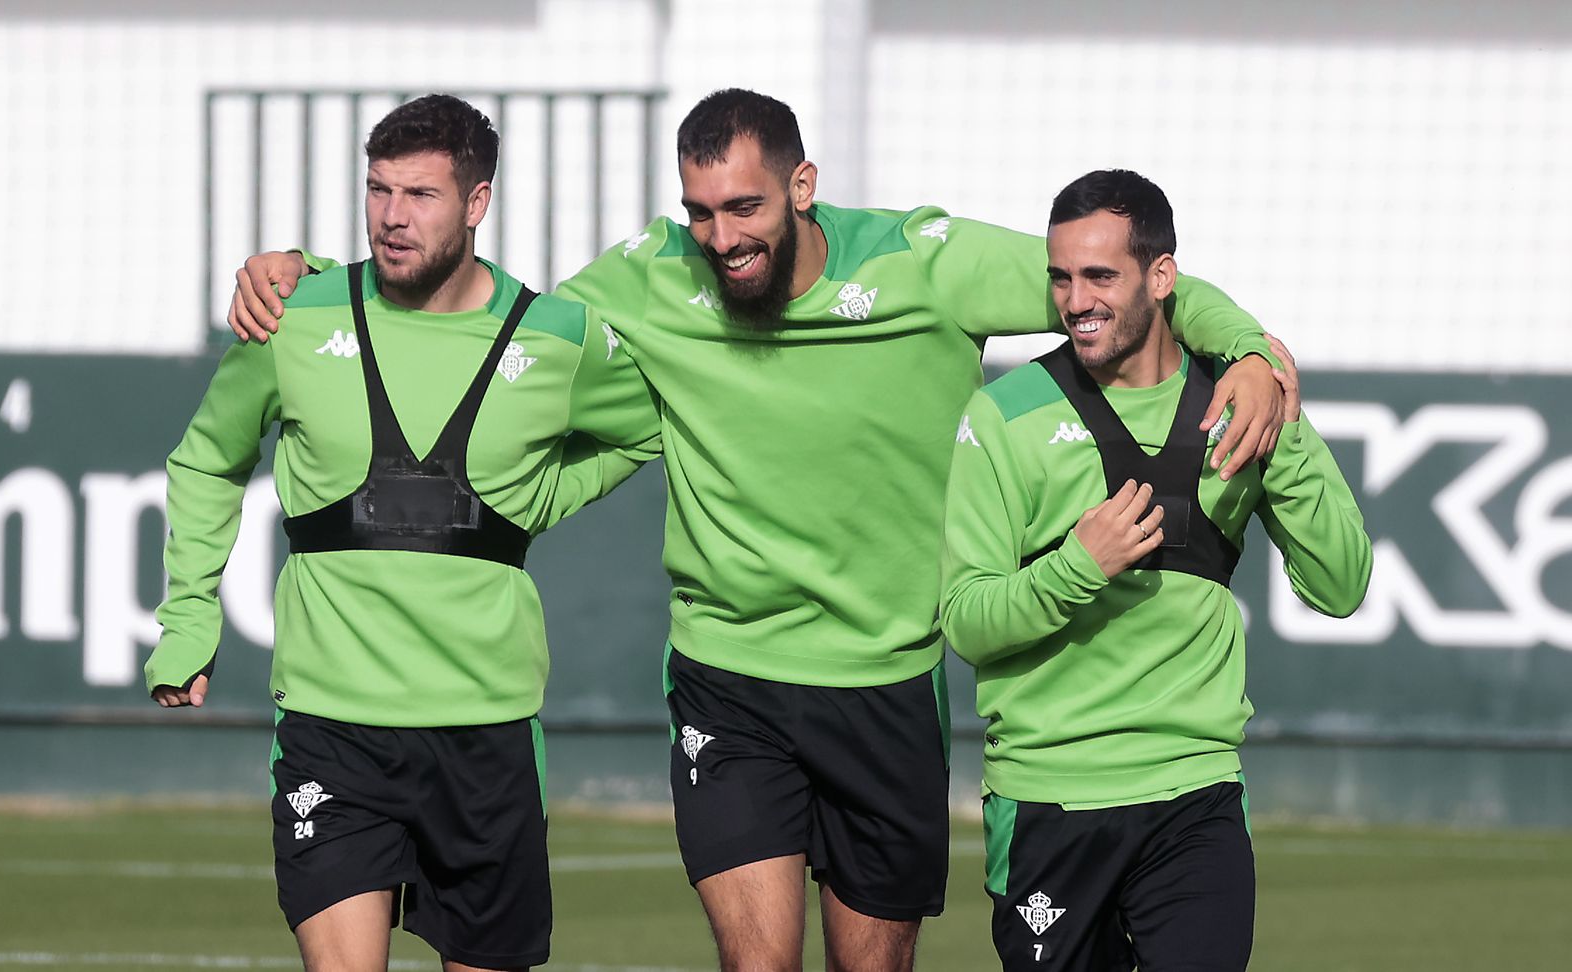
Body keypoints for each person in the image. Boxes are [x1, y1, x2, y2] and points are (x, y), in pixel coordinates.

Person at [225, 90, 1289, 972]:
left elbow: (1117, 281)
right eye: (700, 211)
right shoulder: (653, 276)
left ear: (802, 186)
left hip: (885, 677)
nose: (722, 237)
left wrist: (1244, 350)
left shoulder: (926, 264)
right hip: (728, 677)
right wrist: (310, 274)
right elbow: (487, 317)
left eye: (744, 207)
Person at [147, 94, 661, 972]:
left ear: (477, 201)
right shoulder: (291, 317)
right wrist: (190, 616)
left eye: (421, 194)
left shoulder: (557, 338)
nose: (392, 215)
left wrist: (539, 497)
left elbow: (646, 426)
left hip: (488, 730)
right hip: (332, 726)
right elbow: (206, 460)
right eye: (379, 190)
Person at [939, 169, 1372, 971]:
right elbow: (966, 620)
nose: (1076, 301)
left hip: (1193, 792)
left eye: (1100, 276)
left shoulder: (1239, 401)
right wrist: (1076, 567)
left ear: (1162, 277)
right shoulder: (1002, 416)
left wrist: (1280, 428)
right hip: (1047, 797)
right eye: (1061, 278)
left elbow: (1341, 584)